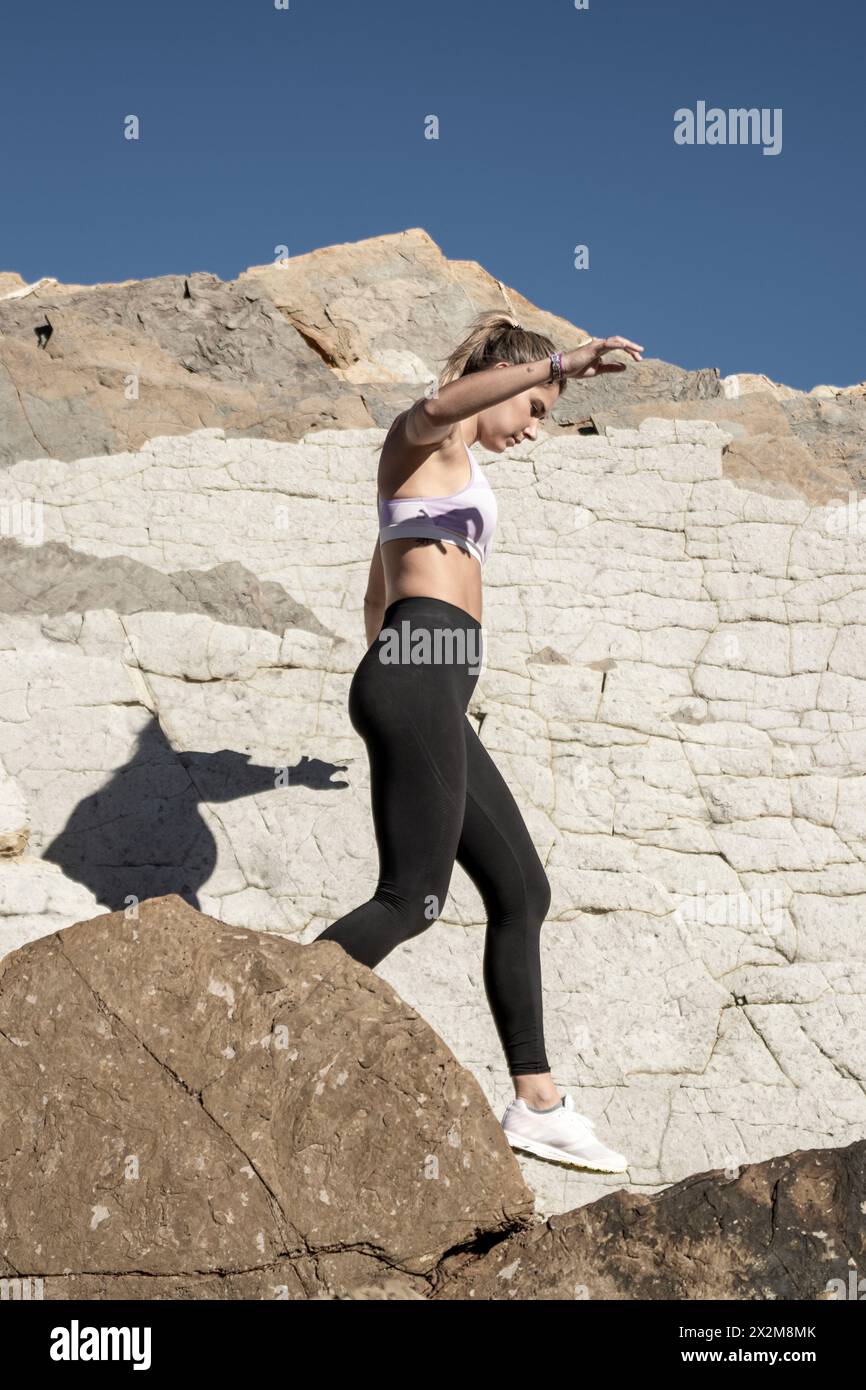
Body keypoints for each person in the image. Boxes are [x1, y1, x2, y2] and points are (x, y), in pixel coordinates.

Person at [314, 310, 644, 1171]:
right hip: (417, 675)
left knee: (523, 890)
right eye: (537, 409)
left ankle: (538, 1104)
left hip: (429, 684)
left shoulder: (451, 477)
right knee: (412, 899)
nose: (536, 431)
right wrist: (566, 358)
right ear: (514, 376)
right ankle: (270, 1003)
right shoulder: (416, 438)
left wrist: (397, 677)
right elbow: (441, 402)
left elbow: (377, 593)